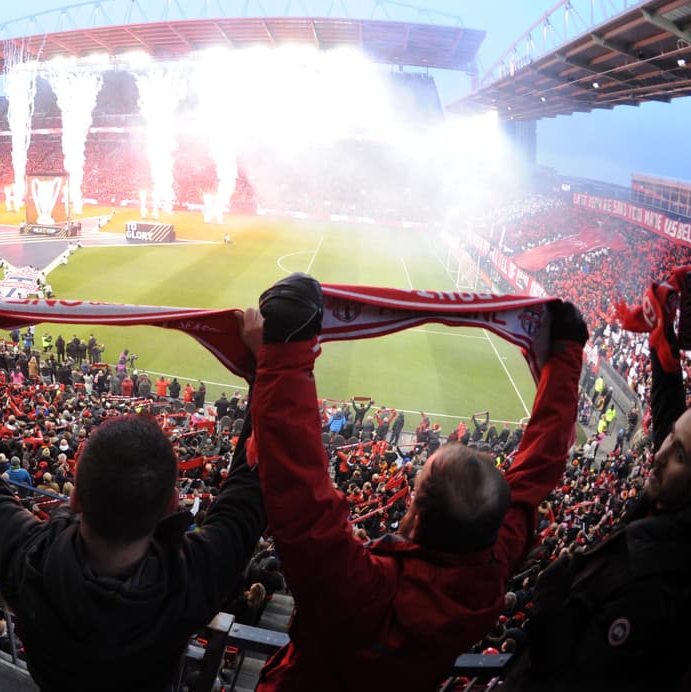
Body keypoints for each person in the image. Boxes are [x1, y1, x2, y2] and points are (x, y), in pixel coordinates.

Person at [245, 273, 585, 691]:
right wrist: (566, 356)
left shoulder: (363, 588)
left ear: (416, 513)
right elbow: (540, 467)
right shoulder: (489, 573)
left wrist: (284, 353)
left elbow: (301, 501)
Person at [0, 295, 265, 691]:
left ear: (74, 499)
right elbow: (251, 487)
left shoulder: (26, 556)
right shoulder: (193, 577)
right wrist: (268, 370)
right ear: (171, 506)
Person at [511, 270, 691, 691]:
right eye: (670, 440)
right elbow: (669, 423)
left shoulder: (658, 588)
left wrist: (550, 604)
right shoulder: (677, 517)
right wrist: (664, 345)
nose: (656, 456)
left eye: (677, 453)